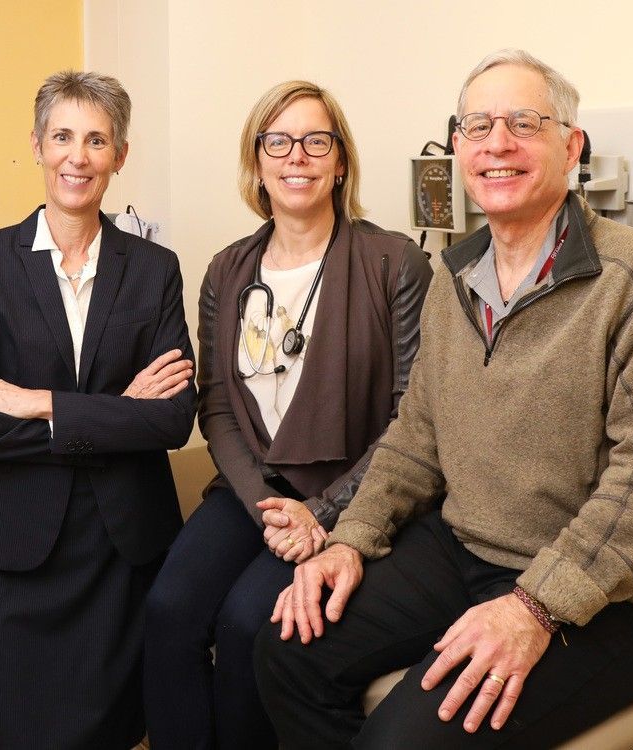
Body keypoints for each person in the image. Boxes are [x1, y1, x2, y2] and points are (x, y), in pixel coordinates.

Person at [255, 49, 633, 750]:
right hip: (465, 547)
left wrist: (535, 606)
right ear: (460, 148)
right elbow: (416, 436)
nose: (497, 143)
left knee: (401, 742)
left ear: (571, 146)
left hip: (623, 599)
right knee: (288, 649)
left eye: (523, 123)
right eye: (476, 126)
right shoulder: (456, 272)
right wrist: (351, 540)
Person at [143, 80, 432, 749]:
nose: (295, 156)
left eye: (314, 140)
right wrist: (268, 508)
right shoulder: (226, 270)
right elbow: (215, 406)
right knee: (170, 610)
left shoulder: (395, 263)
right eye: (278, 141)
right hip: (254, 493)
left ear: (339, 162)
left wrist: (322, 514)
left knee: (251, 622)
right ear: (258, 162)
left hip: (349, 493)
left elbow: (413, 416)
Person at [0, 71, 196, 750]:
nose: (77, 156)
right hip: (6, 550)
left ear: (120, 154)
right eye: (63, 137)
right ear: (37, 145)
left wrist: (46, 405)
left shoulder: (154, 269)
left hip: (119, 550)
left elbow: (170, 421)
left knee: (108, 730)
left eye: (96, 140)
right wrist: (115, 413)